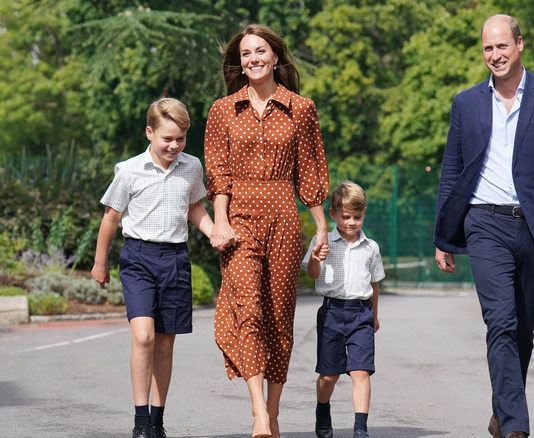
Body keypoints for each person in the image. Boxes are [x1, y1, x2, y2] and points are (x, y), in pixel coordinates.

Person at [433, 14, 534, 438]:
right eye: (488, 48)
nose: (495, 55)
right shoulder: (466, 103)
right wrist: (442, 236)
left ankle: (503, 409)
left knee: (523, 327)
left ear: (520, 44)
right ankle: (517, 427)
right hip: (483, 222)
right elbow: (452, 171)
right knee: (499, 322)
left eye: (502, 46)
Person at [204, 24, 330, 438]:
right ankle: (258, 411)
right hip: (238, 218)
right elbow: (218, 173)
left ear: (276, 57)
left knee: (279, 316)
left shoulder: (301, 108)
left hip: (283, 218)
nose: (253, 59)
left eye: (260, 51)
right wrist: (219, 221)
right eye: (245, 54)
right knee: (249, 311)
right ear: (239, 63)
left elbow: (310, 172)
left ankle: (273, 411)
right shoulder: (223, 110)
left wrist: (322, 228)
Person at [91, 97, 216, 438]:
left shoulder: (192, 167)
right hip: (138, 259)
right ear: (150, 133)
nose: (174, 145)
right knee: (144, 336)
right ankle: (140, 418)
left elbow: (195, 207)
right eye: (167, 138)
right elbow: (111, 217)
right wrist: (100, 262)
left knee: (164, 342)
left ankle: (157, 420)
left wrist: (213, 230)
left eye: (180, 138)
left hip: (175, 259)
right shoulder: (128, 170)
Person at [301, 181, 385, 438]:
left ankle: (360, 427)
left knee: (361, 371)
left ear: (364, 214)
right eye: (345, 216)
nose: (351, 222)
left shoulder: (371, 247)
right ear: (333, 214)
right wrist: (316, 257)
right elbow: (313, 275)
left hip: (361, 313)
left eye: (357, 217)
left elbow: (374, 283)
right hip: (332, 313)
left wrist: (375, 315)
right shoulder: (322, 241)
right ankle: (322, 408)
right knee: (329, 376)